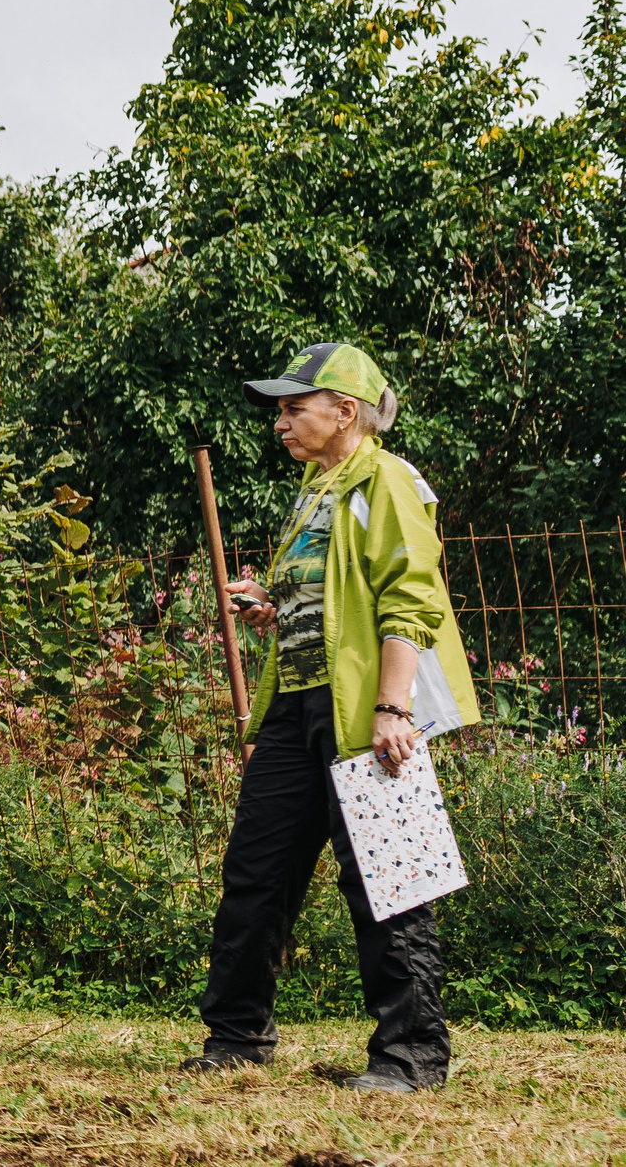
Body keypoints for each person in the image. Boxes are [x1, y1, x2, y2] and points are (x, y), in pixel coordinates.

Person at [183, 342, 481, 1092]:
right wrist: (273, 605)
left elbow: (411, 598)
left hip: (366, 709)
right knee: (256, 870)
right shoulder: (318, 487)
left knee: (389, 877)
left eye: (294, 408)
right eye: (279, 410)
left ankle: (410, 1058)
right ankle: (236, 1038)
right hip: (294, 705)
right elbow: (333, 595)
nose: (280, 422)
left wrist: (393, 706)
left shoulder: (388, 480)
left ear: (346, 411)